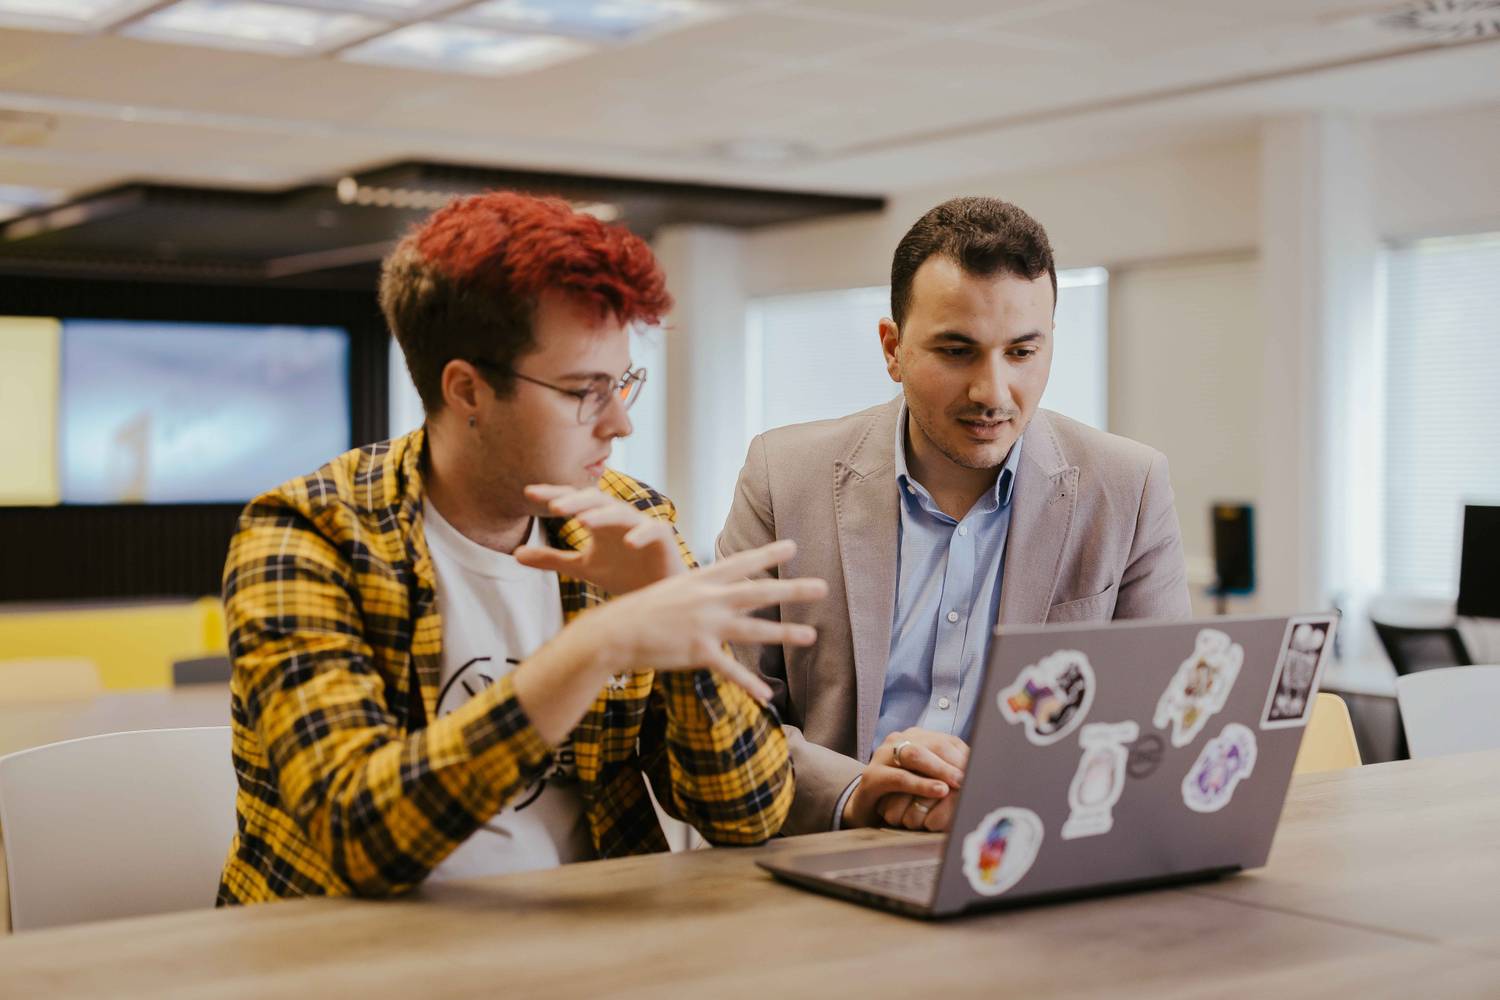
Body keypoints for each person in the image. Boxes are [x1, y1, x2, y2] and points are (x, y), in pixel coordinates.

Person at [218, 191, 824, 904]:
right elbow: (360, 837)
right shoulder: (308, 537)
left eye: (623, 383)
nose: (621, 424)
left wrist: (686, 651)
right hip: (352, 959)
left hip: (593, 942)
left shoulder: (630, 520)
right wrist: (595, 646)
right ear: (468, 390)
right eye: (584, 391)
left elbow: (748, 815)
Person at [716, 196, 1190, 837]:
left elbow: (1156, 727)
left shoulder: (1127, 486)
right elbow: (730, 717)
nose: (992, 393)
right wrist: (856, 790)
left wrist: (1007, 790)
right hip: (826, 852)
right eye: (957, 351)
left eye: (1022, 353)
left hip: (1034, 851)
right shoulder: (783, 475)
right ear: (892, 348)